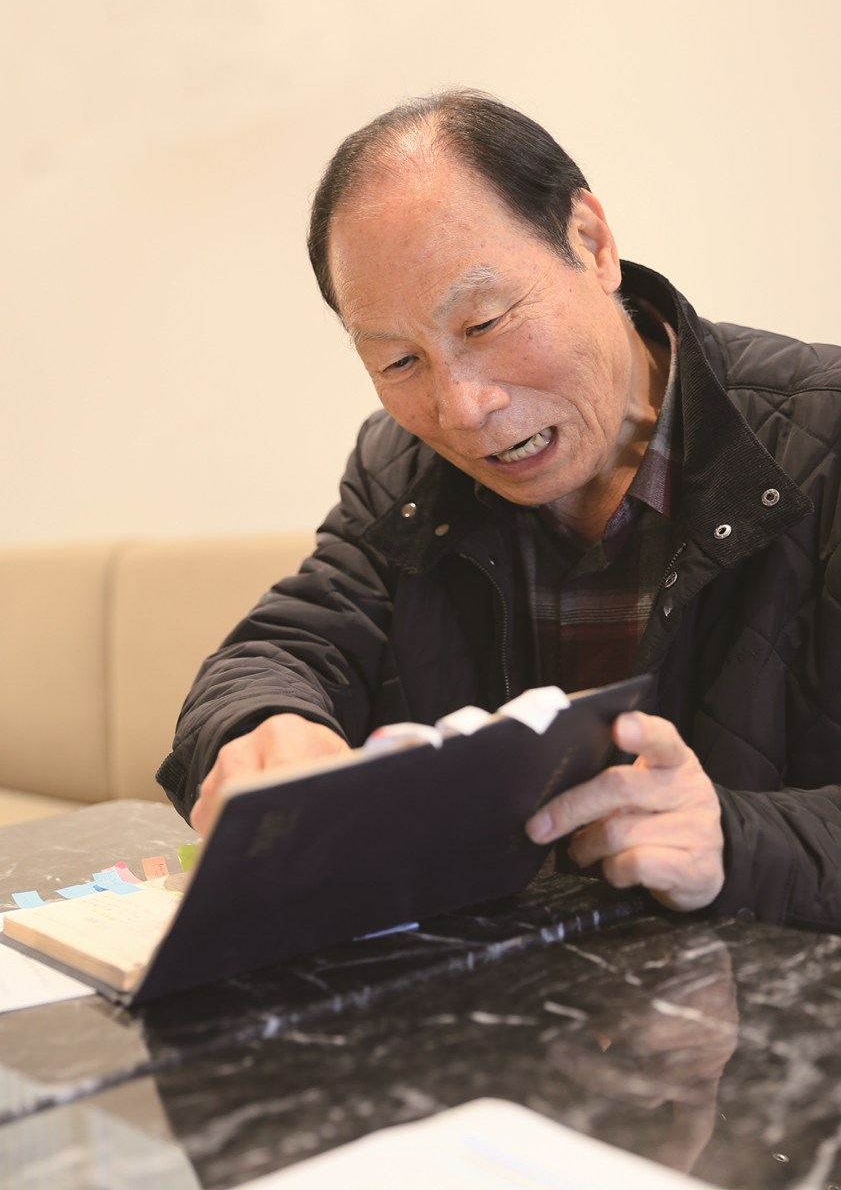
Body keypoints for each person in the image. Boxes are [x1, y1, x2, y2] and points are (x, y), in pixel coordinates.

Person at [157, 90, 841, 928]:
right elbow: (290, 641)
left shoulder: (822, 436)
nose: (462, 408)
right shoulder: (403, 469)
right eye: (399, 361)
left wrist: (734, 842)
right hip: (504, 991)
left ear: (590, 243)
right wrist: (263, 726)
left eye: (483, 322)